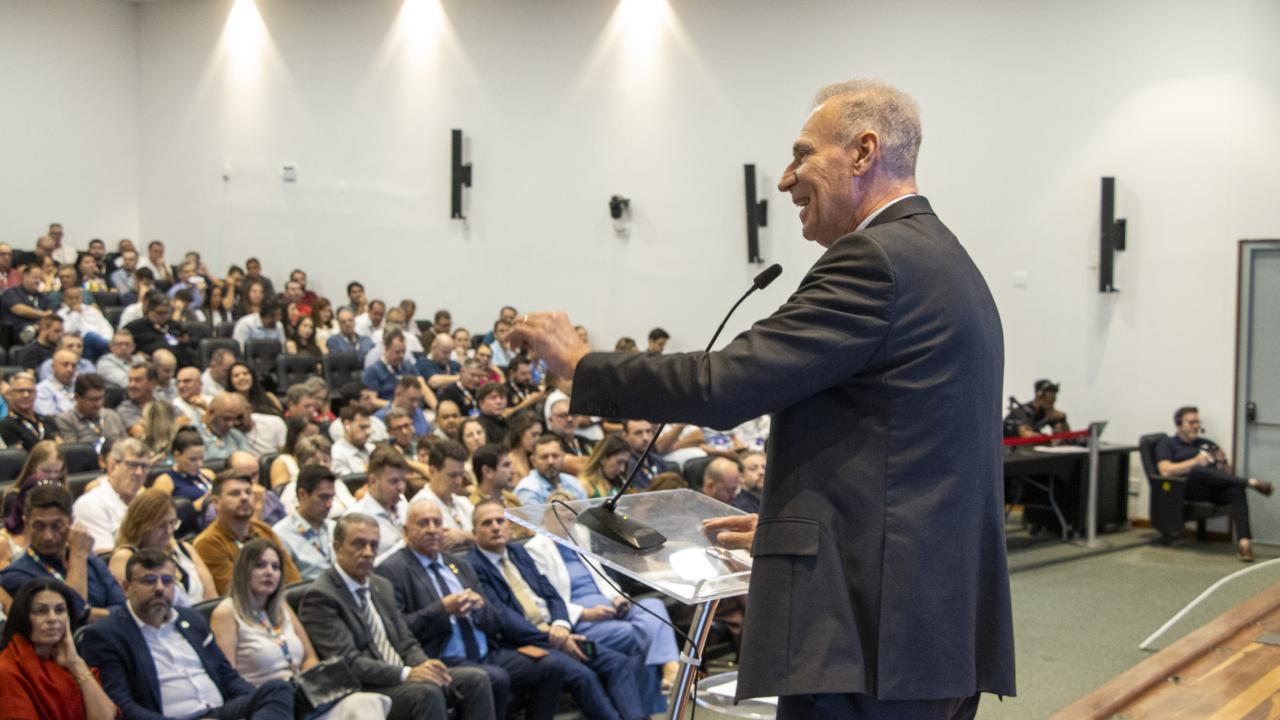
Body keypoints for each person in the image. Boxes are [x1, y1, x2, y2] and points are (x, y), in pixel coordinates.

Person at [509, 79, 1015, 718]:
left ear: (863, 152)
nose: (784, 179)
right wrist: (806, 530)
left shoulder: (875, 259)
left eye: (802, 154)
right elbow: (908, 461)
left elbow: (725, 385)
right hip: (930, 625)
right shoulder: (945, 259)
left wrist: (583, 366)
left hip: (869, 633)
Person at [376, 500, 565, 720]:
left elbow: (495, 620)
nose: (431, 529)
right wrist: (441, 609)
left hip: (486, 651)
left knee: (552, 666)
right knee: (495, 678)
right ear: (406, 531)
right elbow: (399, 630)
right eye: (423, 523)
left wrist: (481, 607)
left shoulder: (459, 564)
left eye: (437, 522)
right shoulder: (392, 570)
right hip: (442, 658)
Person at [297, 514, 496, 720]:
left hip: (402, 675)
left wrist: (424, 665)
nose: (367, 552)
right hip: (366, 688)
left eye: (373, 545)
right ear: (337, 547)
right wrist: (407, 674)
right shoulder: (322, 596)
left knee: (477, 679)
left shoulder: (380, 585)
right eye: (359, 544)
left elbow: (406, 641)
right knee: (427, 693)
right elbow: (348, 663)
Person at [467, 500, 646, 720]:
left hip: (559, 633)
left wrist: (561, 625)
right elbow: (502, 616)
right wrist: (551, 637)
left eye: (500, 521)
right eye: (487, 523)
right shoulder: (473, 566)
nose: (495, 526)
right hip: (525, 644)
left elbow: (551, 593)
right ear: (474, 532)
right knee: (584, 676)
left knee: (617, 663)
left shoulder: (517, 552)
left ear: (509, 526)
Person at [80, 547, 296, 719]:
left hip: (220, 713)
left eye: (167, 581)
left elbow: (227, 677)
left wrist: (253, 703)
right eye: (148, 580)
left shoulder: (190, 619)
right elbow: (122, 706)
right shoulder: (106, 635)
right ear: (126, 587)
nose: (159, 588)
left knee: (277, 690)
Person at [210, 539, 392, 719]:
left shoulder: (281, 607)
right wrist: (273, 696)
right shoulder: (226, 613)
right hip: (268, 704)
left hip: (304, 699)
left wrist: (309, 686)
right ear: (243, 570)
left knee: (366, 702)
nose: (269, 572)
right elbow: (228, 679)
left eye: (275, 567)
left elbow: (309, 657)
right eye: (260, 565)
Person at [524, 525, 679, 707]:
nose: (569, 520)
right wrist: (585, 613)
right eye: (562, 516)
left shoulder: (578, 537)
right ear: (548, 517)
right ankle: (666, 675)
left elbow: (600, 578)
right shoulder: (535, 548)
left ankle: (669, 665)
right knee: (640, 637)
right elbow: (547, 598)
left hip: (610, 607)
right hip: (582, 620)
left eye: (570, 516)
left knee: (654, 605)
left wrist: (617, 597)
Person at [1156, 406, 1275, 562]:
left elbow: (1225, 473)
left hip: (1212, 489)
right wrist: (1194, 462)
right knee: (1197, 470)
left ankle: (1244, 543)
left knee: (1236, 490)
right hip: (1186, 489)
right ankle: (1250, 482)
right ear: (1179, 424)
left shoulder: (1206, 443)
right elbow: (1165, 470)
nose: (1196, 426)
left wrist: (1222, 461)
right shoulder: (1168, 444)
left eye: (1197, 422)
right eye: (1191, 422)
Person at [0, 484, 126, 624]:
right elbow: (69, 616)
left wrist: (88, 615)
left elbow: (124, 613)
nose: (48, 536)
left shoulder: (91, 562)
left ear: (71, 522)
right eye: (39, 526)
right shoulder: (14, 575)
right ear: (26, 524)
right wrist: (77, 555)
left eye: (56, 526)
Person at [0, 577, 118, 720]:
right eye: (41, 611)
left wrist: (75, 663)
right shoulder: (7, 669)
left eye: (60, 610)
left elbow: (105, 717)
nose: (52, 618)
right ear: (23, 617)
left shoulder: (70, 662)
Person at [192, 472, 302, 595]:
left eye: (248, 492)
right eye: (235, 493)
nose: (244, 497)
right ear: (216, 503)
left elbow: (293, 580)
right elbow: (234, 592)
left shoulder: (264, 530)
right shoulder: (208, 543)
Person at [109, 488, 217, 608]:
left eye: (172, 523)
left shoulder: (185, 549)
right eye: (161, 525)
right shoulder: (125, 557)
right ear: (141, 526)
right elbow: (128, 609)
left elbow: (211, 599)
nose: (169, 531)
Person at [73, 438, 150, 552]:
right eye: (132, 465)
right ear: (112, 467)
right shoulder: (90, 504)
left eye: (144, 466)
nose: (139, 472)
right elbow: (106, 557)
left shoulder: (147, 502)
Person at [0, 441, 66, 568]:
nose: (52, 477)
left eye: (57, 472)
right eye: (46, 471)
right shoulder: (15, 498)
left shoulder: (63, 495)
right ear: (32, 467)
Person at [273, 464, 340, 580]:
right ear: (302, 494)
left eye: (331, 497)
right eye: (323, 497)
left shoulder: (334, 528)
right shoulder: (280, 536)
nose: (329, 505)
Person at [347, 446, 411, 564]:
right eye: (394, 481)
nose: (401, 488)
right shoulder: (355, 518)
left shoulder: (402, 503)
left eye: (404, 480)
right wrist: (405, 546)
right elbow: (362, 567)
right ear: (372, 481)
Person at [410, 439, 475, 549]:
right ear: (432, 471)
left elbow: (486, 537)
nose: (459, 481)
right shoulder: (419, 505)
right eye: (452, 475)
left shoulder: (464, 502)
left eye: (461, 475)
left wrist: (464, 536)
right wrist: (472, 536)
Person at [515, 434, 589, 505]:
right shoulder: (527, 489)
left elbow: (587, 515)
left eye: (555, 456)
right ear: (533, 461)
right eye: (544, 457)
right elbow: (535, 518)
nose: (551, 462)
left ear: (563, 456)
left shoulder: (573, 482)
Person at [0, 372, 60, 450]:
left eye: (30, 391)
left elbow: (60, 448)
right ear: (11, 394)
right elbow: (18, 457)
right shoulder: (7, 425)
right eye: (21, 391)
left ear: (35, 393)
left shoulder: (48, 421)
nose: (26, 395)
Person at [1004, 379, 1070, 438]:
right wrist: (1047, 439)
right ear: (1039, 395)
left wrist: (1062, 420)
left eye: (1054, 395)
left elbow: (1066, 435)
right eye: (1049, 395)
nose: (1053, 399)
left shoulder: (1044, 412)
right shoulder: (1022, 411)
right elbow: (1025, 434)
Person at [200, 393, 253, 461]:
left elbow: (249, 461)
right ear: (211, 413)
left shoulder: (236, 435)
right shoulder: (195, 435)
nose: (231, 424)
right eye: (226, 418)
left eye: (234, 418)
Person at [578, 434, 631, 499]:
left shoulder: (619, 482)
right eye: (619, 462)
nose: (622, 469)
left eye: (625, 463)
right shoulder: (584, 485)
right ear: (603, 458)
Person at [34, 349, 78, 417]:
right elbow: (49, 418)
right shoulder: (43, 389)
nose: (70, 369)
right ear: (53, 366)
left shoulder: (80, 385)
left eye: (73, 366)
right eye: (65, 365)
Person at [735, 449, 766, 513]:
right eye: (753, 468)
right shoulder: (737, 508)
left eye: (765, 467)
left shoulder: (775, 502)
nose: (761, 472)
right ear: (741, 476)